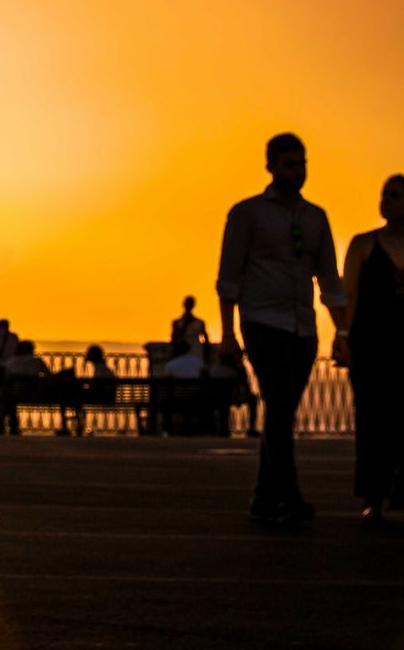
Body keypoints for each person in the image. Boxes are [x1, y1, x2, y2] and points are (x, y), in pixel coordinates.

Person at [216, 132, 348, 525]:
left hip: (302, 328)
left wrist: (342, 333)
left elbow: (329, 280)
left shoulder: (315, 218)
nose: (297, 171)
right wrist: (228, 334)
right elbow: (229, 278)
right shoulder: (247, 214)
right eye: (290, 164)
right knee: (280, 405)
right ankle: (289, 494)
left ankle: (263, 495)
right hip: (262, 322)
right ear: (271, 166)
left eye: (302, 163)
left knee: (281, 410)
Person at [341, 174, 404, 524]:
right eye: (384, 195)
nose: (387, 201)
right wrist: (343, 336)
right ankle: (373, 496)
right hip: (371, 347)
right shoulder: (364, 244)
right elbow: (348, 293)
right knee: (371, 422)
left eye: (394, 196)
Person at [170, 295, 210, 359]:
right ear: (184, 304)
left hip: (196, 353)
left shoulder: (199, 323)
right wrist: (185, 324)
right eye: (187, 303)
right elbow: (174, 338)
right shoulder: (177, 322)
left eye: (190, 304)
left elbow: (206, 338)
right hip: (182, 353)